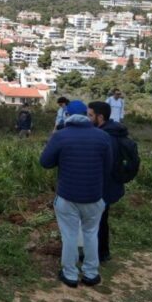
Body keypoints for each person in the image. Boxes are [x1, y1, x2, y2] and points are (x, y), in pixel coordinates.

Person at [40, 100, 112, 288]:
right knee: (90, 234)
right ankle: (91, 273)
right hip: (94, 197)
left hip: (68, 196)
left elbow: (45, 162)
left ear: (67, 115)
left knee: (70, 235)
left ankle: (70, 274)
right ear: (87, 115)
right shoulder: (103, 137)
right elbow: (108, 167)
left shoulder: (61, 136)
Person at [88, 101, 128, 262]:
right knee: (101, 220)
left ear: (100, 117)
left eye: (90, 115)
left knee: (97, 221)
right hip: (110, 185)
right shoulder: (113, 131)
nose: (87, 118)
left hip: (103, 186)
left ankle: (99, 254)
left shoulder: (106, 137)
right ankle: (102, 252)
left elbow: (103, 164)